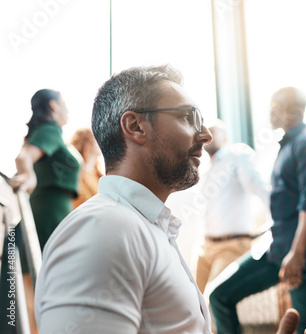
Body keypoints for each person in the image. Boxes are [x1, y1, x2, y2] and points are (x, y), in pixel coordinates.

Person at [34, 65, 214, 333]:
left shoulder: (142, 226)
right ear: (135, 126)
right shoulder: (105, 228)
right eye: (188, 117)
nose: (205, 135)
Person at [209, 87, 306, 334]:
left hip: (305, 253)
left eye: (272, 106)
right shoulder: (287, 147)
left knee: (305, 327)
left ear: (285, 109)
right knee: (219, 296)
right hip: (276, 246)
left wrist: (298, 253)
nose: (269, 112)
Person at [195, 119, 270, 294]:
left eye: (214, 131)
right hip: (205, 247)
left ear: (226, 139)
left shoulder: (236, 157)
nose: (207, 134)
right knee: (193, 302)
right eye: (205, 131)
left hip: (232, 245)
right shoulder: (205, 168)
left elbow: (259, 189)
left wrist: (277, 225)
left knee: (214, 300)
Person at [11, 89, 79, 250]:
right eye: (64, 104)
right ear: (53, 105)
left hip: (51, 209)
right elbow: (23, 157)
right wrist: (28, 174)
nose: (67, 109)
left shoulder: (45, 131)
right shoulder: (50, 129)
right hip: (50, 213)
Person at [70, 127, 103, 208]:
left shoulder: (99, 175)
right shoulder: (77, 174)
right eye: (96, 137)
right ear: (87, 142)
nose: (101, 140)